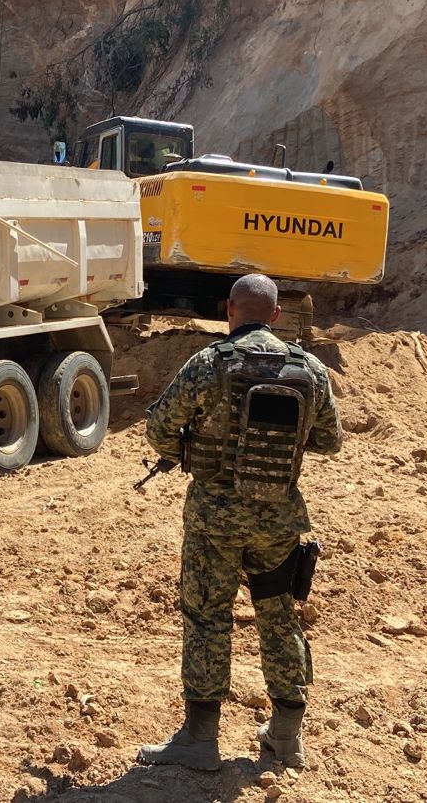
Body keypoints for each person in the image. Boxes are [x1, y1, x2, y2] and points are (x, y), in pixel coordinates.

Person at [137, 273, 343, 772]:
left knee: (208, 619)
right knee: (279, 619)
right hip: (279, 521)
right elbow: (329, 441)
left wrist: (191, 451)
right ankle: (286, 738)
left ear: (230, 309)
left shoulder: (208, 364)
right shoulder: (310, 370)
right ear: (275, 315)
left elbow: (160, 430)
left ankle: (200, 741)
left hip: (213, 522)